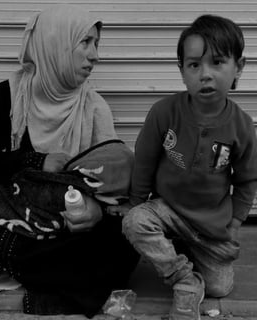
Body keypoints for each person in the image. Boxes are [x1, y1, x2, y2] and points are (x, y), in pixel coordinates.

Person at [0, 4, 139, 318]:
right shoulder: (9, 96)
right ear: (54, 44)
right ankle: (40, 268)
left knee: (121, 242)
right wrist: (35, 160)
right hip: (8, 208)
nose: (95, 55)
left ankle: (7, 261)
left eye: (97, 44)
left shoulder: (95, 109)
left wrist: (96, 211)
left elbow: (111, 183)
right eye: (85, 43)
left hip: (63, 224)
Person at [108, 14, 257, 320]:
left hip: (210, 225)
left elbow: (247, 180)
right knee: (134, 222)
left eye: (217, 62)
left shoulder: (242, 127)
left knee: (219, 287)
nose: (205, 74)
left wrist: (234, 225)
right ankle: (184, 278)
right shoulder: (164, 113)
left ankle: (189, 258)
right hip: (168, 210)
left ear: (238, 68)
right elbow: (145, 162)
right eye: (194, 65)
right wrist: (136, 203)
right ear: (182, 71)